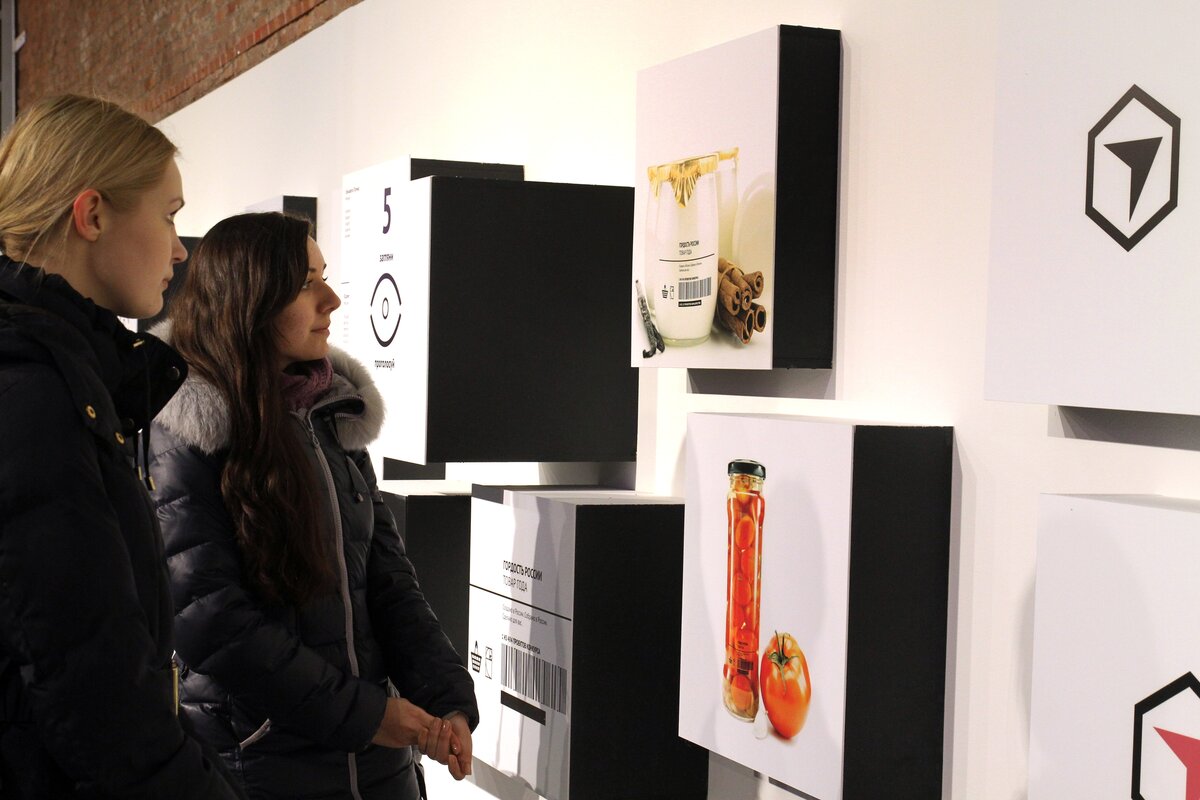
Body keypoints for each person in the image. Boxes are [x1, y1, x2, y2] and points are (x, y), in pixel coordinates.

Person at [148, 212, 478, 799]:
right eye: (306, 283)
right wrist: (368, 716)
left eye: (325, 277)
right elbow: (210, 618)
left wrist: (445, 697)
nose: (332, 300)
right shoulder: (189, 432)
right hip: (261, 768)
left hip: (379, 768)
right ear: (248, 295)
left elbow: (389, 580)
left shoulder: (331, 415)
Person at [0, 95, 245, 797]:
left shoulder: (55, 374)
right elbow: (95, 691)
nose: (180, 248)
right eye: (169, 215)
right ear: (93, 215)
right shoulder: (33, 390)